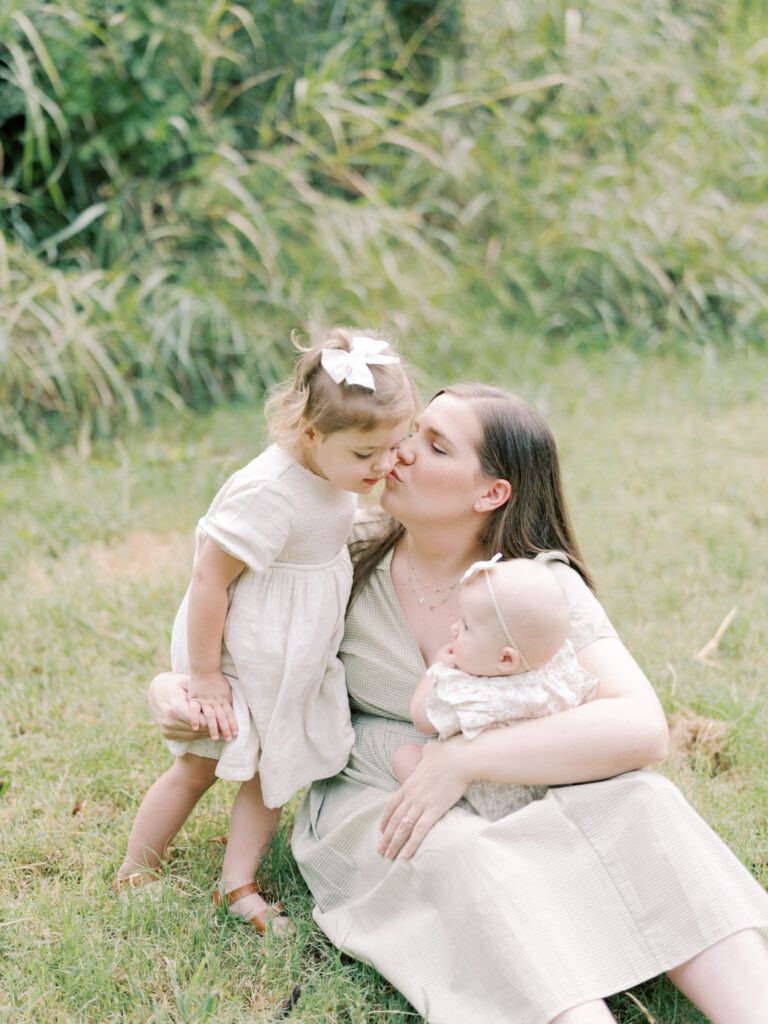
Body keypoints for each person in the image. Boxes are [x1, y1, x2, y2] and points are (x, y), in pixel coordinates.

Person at [148, 383, 768, 1022]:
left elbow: (642, 727)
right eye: (411, 432)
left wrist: (466, 760)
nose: (403, 452)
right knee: (461, 852)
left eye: (435, 446)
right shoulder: (336, 547)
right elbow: (222, 625)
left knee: (647, 804)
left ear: (491, 493)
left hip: (518, 785)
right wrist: (175, 689)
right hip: (381, 792)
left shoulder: (530, 587)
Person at [116, 328, 417, 934]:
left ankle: (239, 883)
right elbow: (208, 579)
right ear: (310, 433)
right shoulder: (269, 491)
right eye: (365, 454)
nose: (384, 464)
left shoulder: (333, 476)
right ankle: (135, 868)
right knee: (200, 764)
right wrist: (204, 675)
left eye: (396, 445)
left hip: (293, 654)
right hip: (236, 654)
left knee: (273, 770)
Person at [392, 554, 598, 820]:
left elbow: (421, 717)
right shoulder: (554, 677)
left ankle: (449, 817)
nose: (454, 628)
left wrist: (435, 670)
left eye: (466, 626)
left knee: (404, 756)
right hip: (544, 786)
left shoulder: (468, 695)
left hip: (481, 799)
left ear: (505, 659)